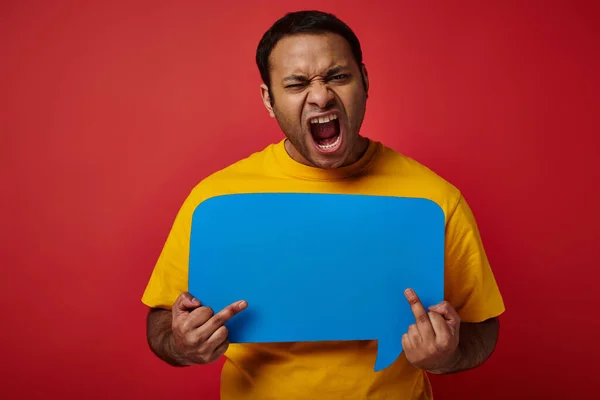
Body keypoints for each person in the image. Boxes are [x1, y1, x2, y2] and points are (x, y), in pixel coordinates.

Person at [142, 10, 505, 400]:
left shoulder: (434, 197)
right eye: (297, 83)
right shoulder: (217, 199)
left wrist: (445, 356)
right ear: (269, 99)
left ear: (364, 81)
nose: (320, 96)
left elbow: (482, 327)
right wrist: (183, 342)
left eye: (338, 77)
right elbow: (160, 322)